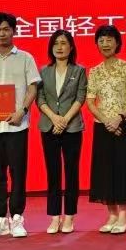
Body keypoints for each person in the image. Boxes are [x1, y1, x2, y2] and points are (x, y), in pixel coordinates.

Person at [0, 13, 41, 239]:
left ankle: (17, 217)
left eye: (6, 29)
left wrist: (22, 110)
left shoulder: (25, 58)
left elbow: (33, 88)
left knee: (17, 171)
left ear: (14, 30)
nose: (2, 34)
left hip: (17, 125)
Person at [86, 25, 126, 233]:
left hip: (124, 123)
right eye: (101, 40)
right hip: (102, 125)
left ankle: (123, 216)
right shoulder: (95, 71)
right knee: (105, 168)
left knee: (123, 167)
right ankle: (111, 214)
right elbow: (90, 101)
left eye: (109, 39)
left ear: (117, 43)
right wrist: (106, 121)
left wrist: (119, 118)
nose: (105, 44)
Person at [36, 30, 87, 234]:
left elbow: (80, 97)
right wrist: (54, 118)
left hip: (72, 127)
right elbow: (40, 98)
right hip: (49, 126)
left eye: (64, 43)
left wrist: (64, 119)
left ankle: (70, 216)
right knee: (53, 172)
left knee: (71, 172)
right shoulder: (43, 71)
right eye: (56, 43)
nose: (59, 47)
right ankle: (54, 216)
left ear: (71, 47)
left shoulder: (79, 70)